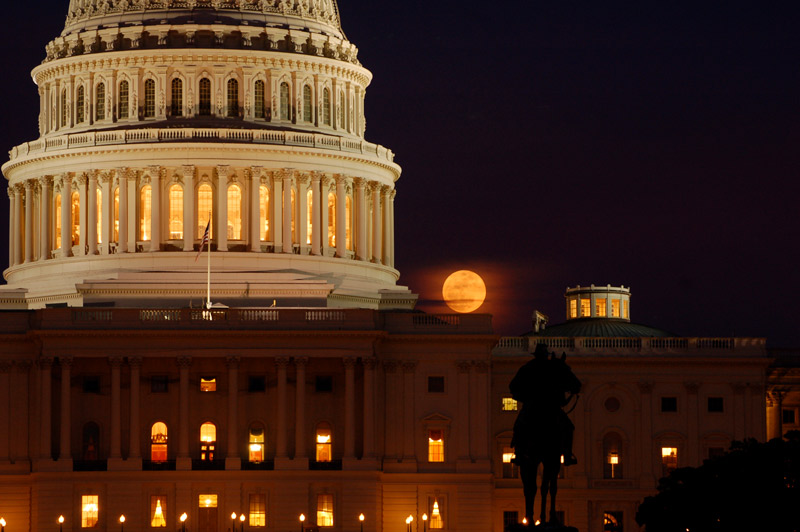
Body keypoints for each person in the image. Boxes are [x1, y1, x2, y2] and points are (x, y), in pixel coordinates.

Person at [510, 343, 581, 465]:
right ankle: (568, 455)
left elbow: (513, 387)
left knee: (519, 426)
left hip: (533, 408)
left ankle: (519, 454)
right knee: (568, 427)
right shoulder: (544, 368)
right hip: (545, 408)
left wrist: (523, 398)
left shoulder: (529, 368)